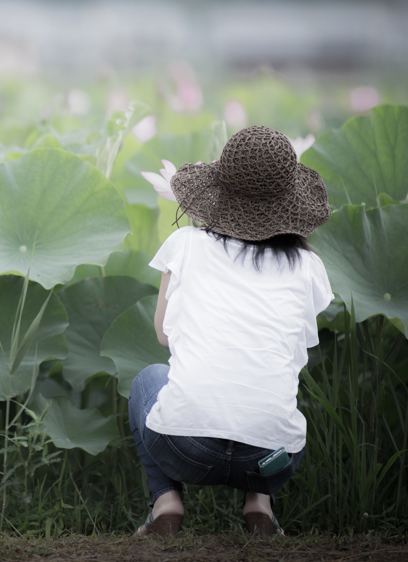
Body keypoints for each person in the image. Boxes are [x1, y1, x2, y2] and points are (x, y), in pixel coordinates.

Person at [129, 125, 334, 537]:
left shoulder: (185, 244)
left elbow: (165, 337)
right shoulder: (308, 267)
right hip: (271, 456)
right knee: (280, 401)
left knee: (148, 379)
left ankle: (166, 500)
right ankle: (259, 502)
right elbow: (296, 347)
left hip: (182, 448)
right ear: (291, 204)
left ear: (217, 193)